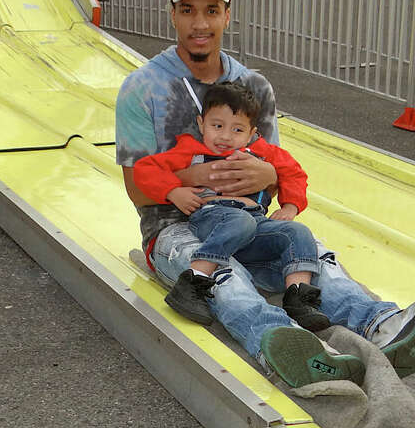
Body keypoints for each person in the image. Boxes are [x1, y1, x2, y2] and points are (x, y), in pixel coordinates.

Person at [115, 0, 415, 388]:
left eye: (211, 10)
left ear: (227, 14)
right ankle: (286, 344)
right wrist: (195, 181)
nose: (200, 23)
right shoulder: (143, 88)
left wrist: (270, 183)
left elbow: (277, 169)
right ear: (172, 13)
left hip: (252, 219)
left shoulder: (253, 86)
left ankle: (384, 326)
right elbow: (138, 189)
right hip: (175, 225)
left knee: (312, 255)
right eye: (188, 9)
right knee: (223, 279)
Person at [132, 80, 328, 332]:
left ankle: (298, 297)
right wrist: (173, 191)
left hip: (255, 223)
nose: (225, 136)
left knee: (298, 233)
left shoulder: (261, 151)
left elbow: (294, 172)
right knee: (239, 221)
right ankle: (194, 279)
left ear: (251, 132)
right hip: (214, 218)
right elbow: (146, 169)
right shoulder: (191, 150)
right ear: (202, 124)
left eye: (237, 130)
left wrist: (290, 206)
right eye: (217, 126)